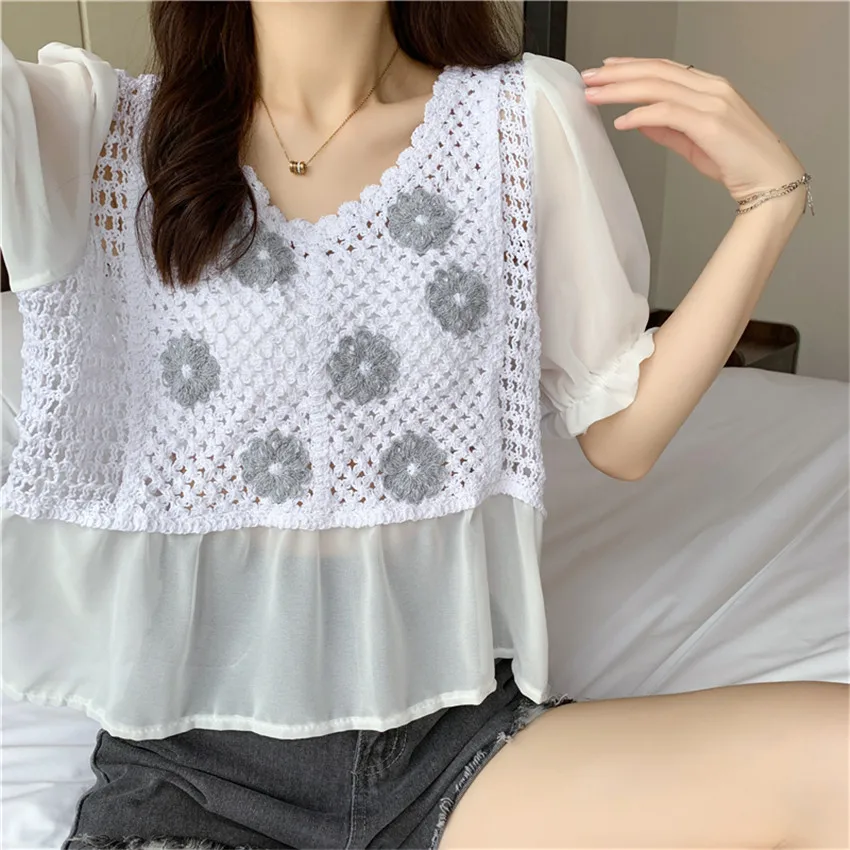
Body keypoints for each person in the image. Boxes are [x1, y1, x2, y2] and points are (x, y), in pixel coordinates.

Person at [0, 2, 844, 848]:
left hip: (447, 740)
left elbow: (621, 438)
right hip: (198, 775)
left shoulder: (518, 119)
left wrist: (767, 205)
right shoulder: (95, 129)